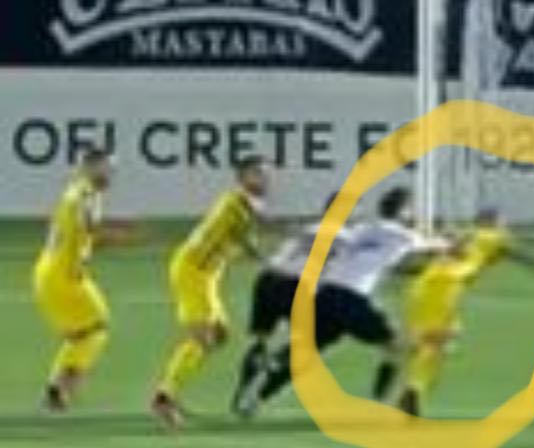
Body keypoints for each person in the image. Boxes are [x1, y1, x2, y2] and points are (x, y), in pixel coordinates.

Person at [233, 187, 448, 417]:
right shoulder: (392, 235)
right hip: (339, 295)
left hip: (303, 288)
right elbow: (436, 248)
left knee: (294, 347)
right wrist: (450, 239)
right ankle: (378, 405)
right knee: (397, 346)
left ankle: (255, 395)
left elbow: (369, 258)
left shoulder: (352, 231)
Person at [151, 158, 268, 429]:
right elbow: (247, 243)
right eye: (257, 174)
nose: (264, 179)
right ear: (242, 177)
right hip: (193, 270)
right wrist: (273, 261)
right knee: (203, 337)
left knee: (219, 335)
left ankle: (171, 387)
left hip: (207, 274)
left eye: (265, 174)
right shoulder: (235, 206)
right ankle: (164, 397)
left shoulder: (243, 204)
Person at [396, 208, 534, 416]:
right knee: (440, 342)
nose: (504, 227)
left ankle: (413, 387)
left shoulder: (462, 234)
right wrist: (533, 263)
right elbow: (510, 250)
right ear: (492, 222)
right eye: (501, 222)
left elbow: (427, 257)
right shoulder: (491, 235)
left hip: (422, 286)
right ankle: (414, 387)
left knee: (434, 342)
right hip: (447, 288)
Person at [230, 193, 348, 416]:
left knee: (260, 339)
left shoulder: (308, 230)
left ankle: (244, 389)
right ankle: (262, 391)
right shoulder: (346, 239)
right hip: (296, 286)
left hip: (267, 280)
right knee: (318, 339)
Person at [34, 149, 116, 412]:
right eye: (105, 168)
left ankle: (56, 389)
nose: (110, 174)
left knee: (83, 333)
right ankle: (62, 386)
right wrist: (122, 236)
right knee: (96, 329)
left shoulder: (80, 193)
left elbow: (77, 233)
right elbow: (85, 229)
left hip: (52, 271)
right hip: (64, 276)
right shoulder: (83, 197)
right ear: (90, 168)